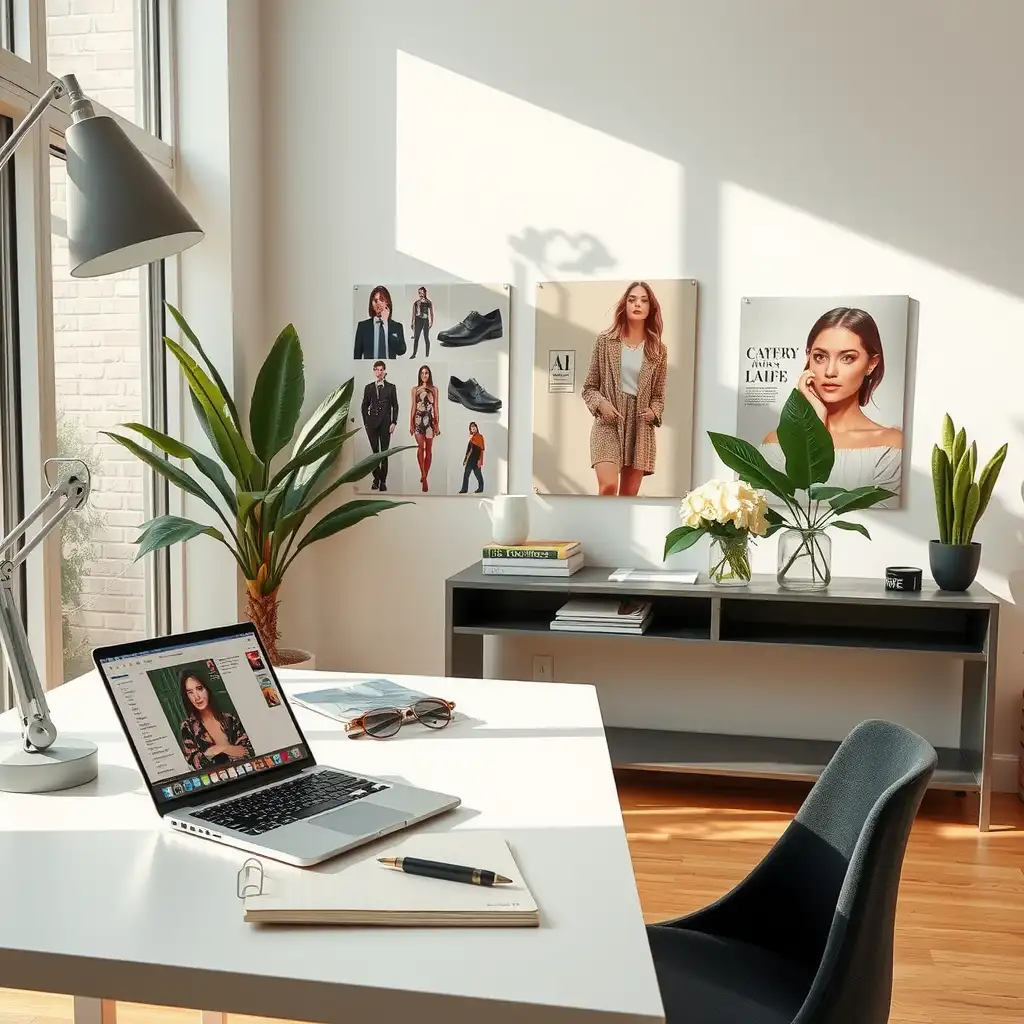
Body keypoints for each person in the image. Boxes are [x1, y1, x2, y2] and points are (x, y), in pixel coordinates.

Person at [760, 306, 902, 505]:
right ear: (808, 358)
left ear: (872, 364)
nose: (830, 371)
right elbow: (766, 512)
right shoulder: (775, 442)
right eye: (820, 357)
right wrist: (814, 424)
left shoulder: (891, 443)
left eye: (847, 358)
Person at [581, 281, 668, 496]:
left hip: (640, 426)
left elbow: (658, 395)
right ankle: (600, 529)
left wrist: (654, 411)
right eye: (632, 300)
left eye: (643, 300)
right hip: (608, 422)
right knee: (608, 488)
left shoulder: (658, 349)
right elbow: (589, 387)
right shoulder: (605, 341)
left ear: (650, 308)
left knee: (628, 497)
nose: (637, 304)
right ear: (625, 305)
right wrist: (602, 404)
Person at [178, 667, 253, 770]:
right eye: (190, 692)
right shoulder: (187, 727)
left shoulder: (229, 719)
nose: (196, 697)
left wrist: (220, 749)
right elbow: (195, 763)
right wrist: (219, 749)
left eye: (199, 688)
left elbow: (248, 751)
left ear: (207, 689)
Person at [361, 360, 399, 491]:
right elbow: (364, 406)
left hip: (386, 424)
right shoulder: (369, 387)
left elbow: (395, 406)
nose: (379, 372)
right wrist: (366, 422)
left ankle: (383, 481)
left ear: (385, 371)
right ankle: (376, 478)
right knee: (374, 453)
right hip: (371, 424)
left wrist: (394, 422)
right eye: (376, 369)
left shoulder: (391, 387)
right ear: (374, 371)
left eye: (381, 369)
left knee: (384, 453)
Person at [353, 285, 407, 359]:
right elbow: (356, 356)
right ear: (371, 305)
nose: (378, 303)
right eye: (375, 300)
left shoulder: (397, 326)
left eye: (381, 299)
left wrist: (386, 322)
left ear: (387, 302)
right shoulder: (362, 326)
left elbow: (401, 351)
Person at [409, 364, 440, 492]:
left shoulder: (434, 389)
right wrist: (410, 423)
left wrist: (437, 424)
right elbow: (413, 407)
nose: (424, 375)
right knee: (420, 447)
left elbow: (436, 407)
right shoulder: (415, 389)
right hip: (418, 420)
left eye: (426, 373)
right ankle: (423, 476)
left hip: (429, 422)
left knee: (429, 449)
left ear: (429, 374)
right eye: (422, 373)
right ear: (419, 375)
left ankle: (425, 474)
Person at [459, 421, 485, 493]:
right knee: (466, 474)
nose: (473, 428)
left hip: (476, 460)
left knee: (478, 475)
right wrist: (465, 460)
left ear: (476, 427)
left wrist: (480, 461)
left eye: (474, 427)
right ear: (470, 429)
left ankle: (481, 488)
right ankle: (464, 489)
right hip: (470, 460)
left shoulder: (480, 437)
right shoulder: (471, 438)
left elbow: (482, 450)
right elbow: (468, 451)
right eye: (471, 427)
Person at [410, 286, 433, 358]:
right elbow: (413, 313)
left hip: (425, 320)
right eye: (419, 293)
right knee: (416, 338)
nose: (420, 294)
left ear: (425, 293)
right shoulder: (416, 303)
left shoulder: (428, 302)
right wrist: (412, 322)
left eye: (422, 292)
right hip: (418, 320)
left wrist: (431, 321)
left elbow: (431, 313)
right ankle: (414, 354)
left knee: (426, 337)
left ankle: (427, 354)